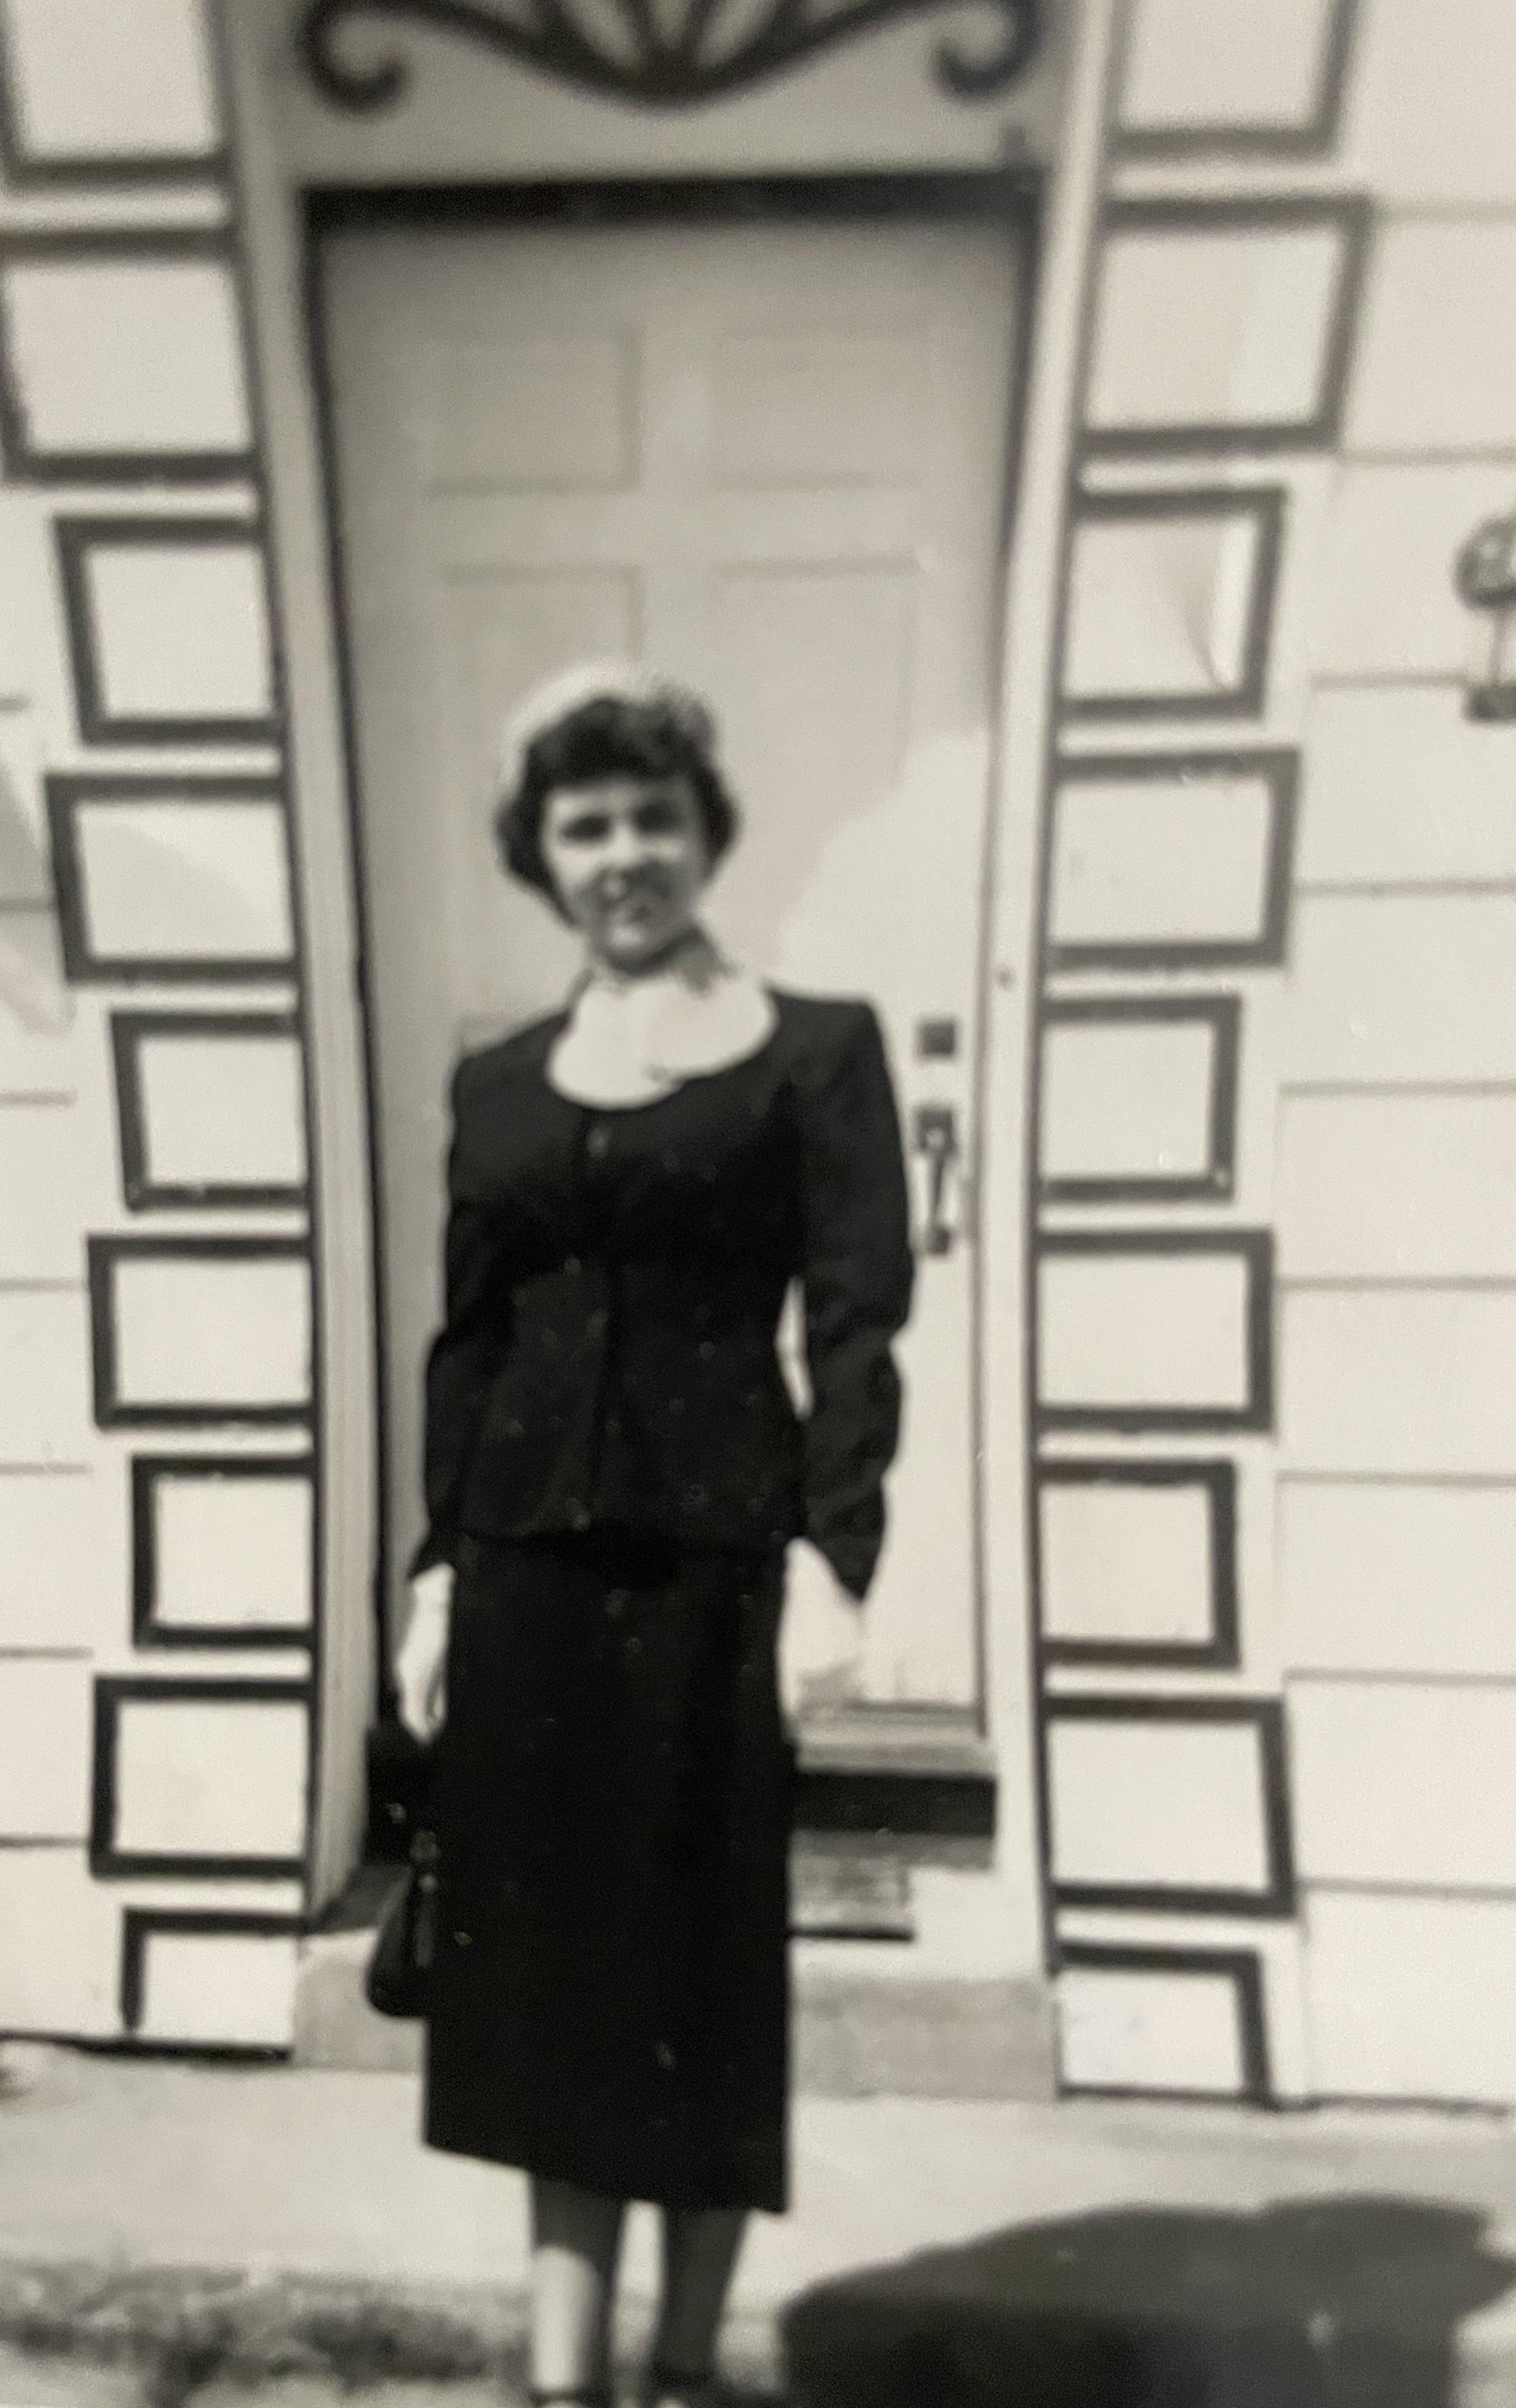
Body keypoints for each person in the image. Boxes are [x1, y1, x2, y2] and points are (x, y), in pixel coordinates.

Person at [392, 661, 915, 2407]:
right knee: (548, 1991)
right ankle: (562, 2387)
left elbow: (854, 1326)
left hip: (712, 1574)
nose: (625, 854)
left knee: (698, 1981)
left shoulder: (815, 1050)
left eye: (654, 820)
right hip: (532, 1576)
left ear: (708, 836)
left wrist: (835, 1558)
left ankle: (684, 2374)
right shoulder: (500, 1083)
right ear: (542, 855)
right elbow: (469, 1342)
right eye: (587, 825)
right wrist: (438, 1574)